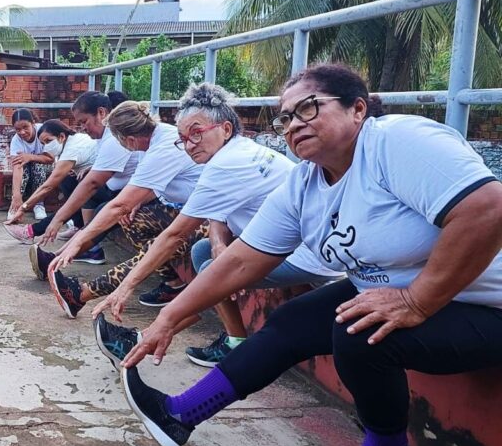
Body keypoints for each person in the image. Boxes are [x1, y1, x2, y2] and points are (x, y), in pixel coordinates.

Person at [118, 63, 502, 446]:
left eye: (308, 109)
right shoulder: (305, 182)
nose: (293, 125)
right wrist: (168, 319)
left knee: (358, 334)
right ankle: (178, 414)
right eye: (285, 118)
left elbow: (487, 209)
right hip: (400, 294)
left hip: (483, 306)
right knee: (290, 323)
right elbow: (242, 260)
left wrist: (417, 301)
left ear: (357, 108)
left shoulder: (396, 141)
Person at [90, 83, 339, 369]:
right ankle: (235, 342)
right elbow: (219, 214)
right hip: (284, 245)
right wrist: (219, 243)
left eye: (197, 133)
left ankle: (142, 339)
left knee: (212, 272)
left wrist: (126, 287)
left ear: (226, 129)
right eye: (183, 138)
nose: (189, 144)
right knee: (203, 251)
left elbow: (173, 235)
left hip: (311, 255)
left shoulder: (227, 164)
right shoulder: (238, 151)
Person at [45, 100, 205, 318]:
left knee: (156, 244)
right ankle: (173, 284)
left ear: (129, 139)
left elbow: (119, 205)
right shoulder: (149, 141)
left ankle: (81, 295)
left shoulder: (163, 146)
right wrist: (138, 202)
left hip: (209, 218)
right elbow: (151, 185)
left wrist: (79, 241)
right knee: (134, 219)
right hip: (188, 209)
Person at [17, 90, 140, 269]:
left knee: (100, 207)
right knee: (78, 185)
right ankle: (67, 252)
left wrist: (58, 220)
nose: (82, 128)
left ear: (102, 113)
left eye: (84, 122)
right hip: (118, 190)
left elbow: (92, 183)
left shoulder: (113, 138)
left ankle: (58, 258)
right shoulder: (103, 137)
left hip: (131, 194)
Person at [3, 120, 99, 254]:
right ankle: (78, 226)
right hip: (101, 181)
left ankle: (32, 231)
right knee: (68, 180)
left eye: (48, 141)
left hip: (105, 186)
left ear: (61, 136)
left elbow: (48, 186)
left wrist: (24, 207)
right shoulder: (70, 143)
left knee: (82, 192)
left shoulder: (72, 148)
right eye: (43, 144)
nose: (46, 147)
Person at [6, 108, 53, 222]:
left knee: (37, 166)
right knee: (23, 166)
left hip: (45, 166)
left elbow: (50, 159)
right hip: (26, 168)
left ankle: (39, 204)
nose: (22, 132)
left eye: (25, 127)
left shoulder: (43, 132)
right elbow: (17, 167)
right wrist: (16, 195)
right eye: (18, 129)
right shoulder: (16, 140)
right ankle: (15, 205)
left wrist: (30, 157)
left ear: (33, 123)